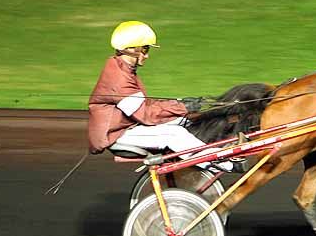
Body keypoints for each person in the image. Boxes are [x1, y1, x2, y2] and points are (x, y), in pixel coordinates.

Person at [87, 21, 237, 172]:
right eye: (145, 50)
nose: (147, 55)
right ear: (132, 49)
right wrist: (182, 107)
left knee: (185, 119)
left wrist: (180, 103)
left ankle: (210, 153)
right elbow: (146, 114)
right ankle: (223, 164)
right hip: (117, 134)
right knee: (174, 134)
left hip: (128, 126)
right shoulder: (119, 78)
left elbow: (147, 105)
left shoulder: (124, 69)